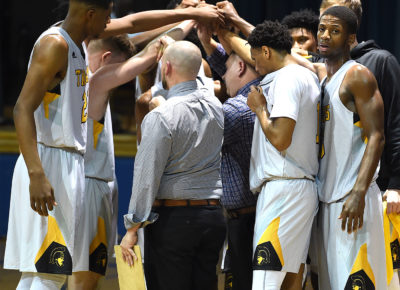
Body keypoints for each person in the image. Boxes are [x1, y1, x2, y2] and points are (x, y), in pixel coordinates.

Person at [3, 0, 112, 289]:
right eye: (107, 13)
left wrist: (184, 15)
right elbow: (21, 109)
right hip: (49, 161)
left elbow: (134, 26)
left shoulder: (77, 45)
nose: (109, 21)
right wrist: (37, 174)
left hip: (63, 161)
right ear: (91, 14)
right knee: (52, 269)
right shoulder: (56, 45)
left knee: (39, 272)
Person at [120, 40, 226, 290]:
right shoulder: (217, 107)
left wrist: (132, 227)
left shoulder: (161, 115)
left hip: (175, 222)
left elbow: (147, 175)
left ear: (166, 68)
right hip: (213, 218)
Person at [315, 6, 387, 289]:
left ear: (350, 38)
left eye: (335, 31)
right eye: (321, 29)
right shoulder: (324, 80)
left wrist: (358, 193)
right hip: (329, 198)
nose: (325, 36)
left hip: (353, 197)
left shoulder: (357, 75)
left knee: (358, 282)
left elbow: (377, 136)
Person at [247, 20, 320, 290]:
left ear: (266, 51)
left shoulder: (288, 78)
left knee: (265, 283)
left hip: (283, 190)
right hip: (300, 188)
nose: (256, 67)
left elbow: (280, 138)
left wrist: (259, 109)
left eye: (256, 59)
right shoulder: (306, 76)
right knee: (290, 282)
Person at [197, 22, 261, 289]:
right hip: (257, 213)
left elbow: (197, 145)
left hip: (244, 220)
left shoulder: (235, 109)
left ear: (242, 67)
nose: (221, 78)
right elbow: (232, 65)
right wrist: (209, 40)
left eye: (226, 70)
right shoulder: (270, 90)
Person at [74, 34, 135, 289]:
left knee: (88, 275)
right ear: (107, 59)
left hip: (95, 180)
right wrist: (185, 19)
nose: (121, 76)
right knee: (85, 278)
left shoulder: (83, 70)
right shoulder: (93, 81)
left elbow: (129, 34)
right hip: (90, 183)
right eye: (119, 67)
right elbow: (143, 56)